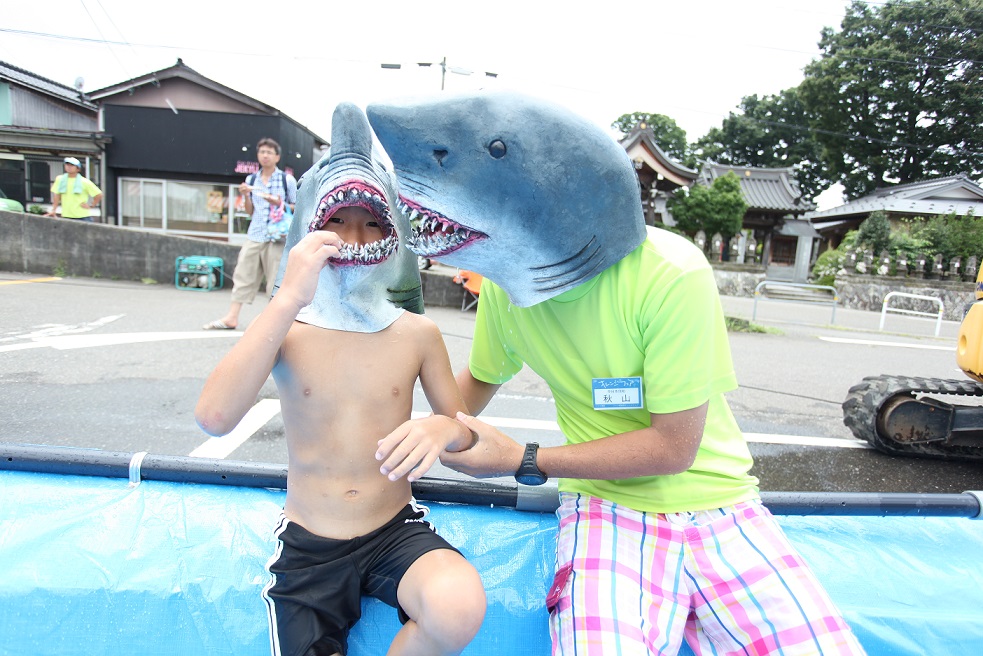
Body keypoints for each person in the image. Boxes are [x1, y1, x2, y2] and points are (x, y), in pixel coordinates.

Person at [383, 227, 867, 655]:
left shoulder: (669, 268)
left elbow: (674, 447)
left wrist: (521, 458)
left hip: (724, 505)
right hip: (605, 510)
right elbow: (480, 380)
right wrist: (437, 428)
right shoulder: (505, 287)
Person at [195, 208, 486, 656]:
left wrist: (443, 427)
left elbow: (469, 438)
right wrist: (289, 295)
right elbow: (214, 418)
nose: (354, 237)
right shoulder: (287, 329)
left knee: (457, 605)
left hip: (393, 530)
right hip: (310, 542)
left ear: (394, 240)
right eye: (337, 221)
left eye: (373, 224)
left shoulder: (418, 333)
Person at [203, 137, 297, 330]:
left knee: (275, 281)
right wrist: (245, 195)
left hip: (278, 237)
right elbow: (249, 211)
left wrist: (278, 203)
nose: (265, 156)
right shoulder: (251, 180)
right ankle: (232, 317)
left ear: (277, 156)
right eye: (262, 152)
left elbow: (296, 207)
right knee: (243, 274)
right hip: (256, 233)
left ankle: (274, 323)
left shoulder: (287, 180)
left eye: (269, 152)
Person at [45, 156, 102, 221]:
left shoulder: (84, 181)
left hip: (83, 216)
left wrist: (92, 205)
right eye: (67, 164)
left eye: (72, 165)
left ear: (78, 169)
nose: (69, 167)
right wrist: (53, 210)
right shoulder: (60, 179)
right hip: (66, 215)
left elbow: (99, 194)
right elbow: (56, 195)